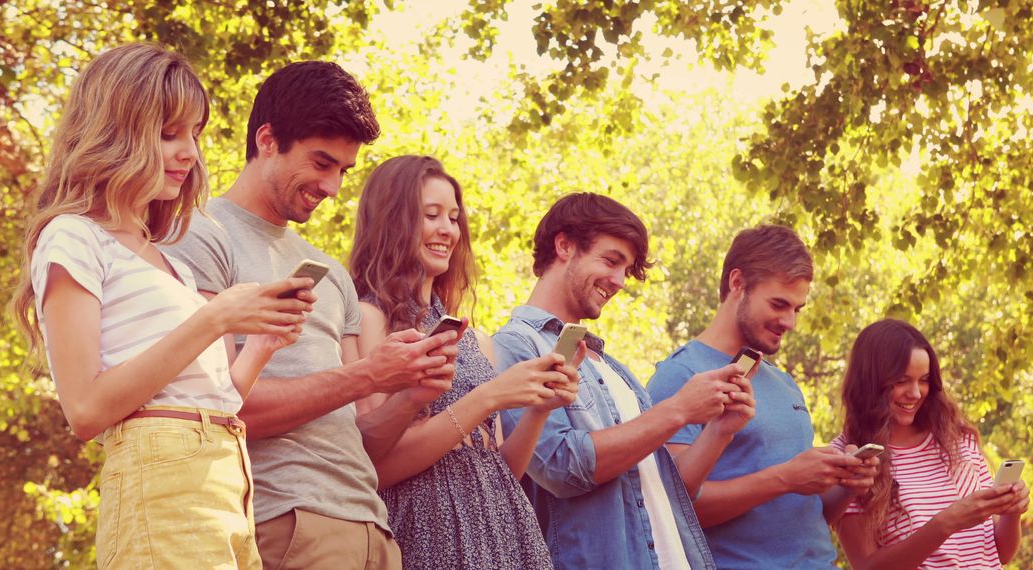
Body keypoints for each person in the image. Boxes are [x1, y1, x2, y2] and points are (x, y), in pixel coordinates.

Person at [12, 43, 315, 568]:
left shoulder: (168, 261)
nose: (190, 153)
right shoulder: (73, 237)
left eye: (194, 135)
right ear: (115, 131)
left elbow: (216, 398)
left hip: (227, 480)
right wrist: (215, 317)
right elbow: (84, 409)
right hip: (161, 481)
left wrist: (262, 343)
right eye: (168, 133)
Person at [163, 62, 460, 569]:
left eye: (343, 170)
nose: (332, 187)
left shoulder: (331, 274)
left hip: (373, 530)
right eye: (321, 163)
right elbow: (223, 408)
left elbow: (361, 438)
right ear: (268, 139)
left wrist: (410, 394)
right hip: (288, 521)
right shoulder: (200, 234)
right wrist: (367, 372)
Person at [492, 192, 751, 570]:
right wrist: (677, 410)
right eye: (611, 261)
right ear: (564, 245)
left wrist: (720, 431)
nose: (618, 281)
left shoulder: (612, 366)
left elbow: (665, 486)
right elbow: (561, 468)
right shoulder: (514, 346)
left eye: (625, 270)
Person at [348, 155, 582, 569]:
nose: (447, 230)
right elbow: (374, 468)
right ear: (391, 220)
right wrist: (489, 397)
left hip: (505, 531)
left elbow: (499, 467)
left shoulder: (476, 340)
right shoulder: (368, 320)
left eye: (454, 218)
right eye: (431, 215)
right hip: (424, 533)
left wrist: (538, 411)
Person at [647, 224, 879, 569]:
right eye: (779, 304)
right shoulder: (679, 377)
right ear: (737, 283)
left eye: (797, 309)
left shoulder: (784, 383)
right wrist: (784, 477)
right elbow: (677, 508)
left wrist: (846, 485)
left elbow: (808, 514)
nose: (790, 322)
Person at [831, 319, 1029, 569]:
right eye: (901, 381)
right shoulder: (849, 458)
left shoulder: (959, 441)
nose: (915, 393)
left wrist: (1011, 513)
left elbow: (999, 554)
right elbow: (867, 566)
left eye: (923, 380)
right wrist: (945, 523)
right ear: (870, 382)